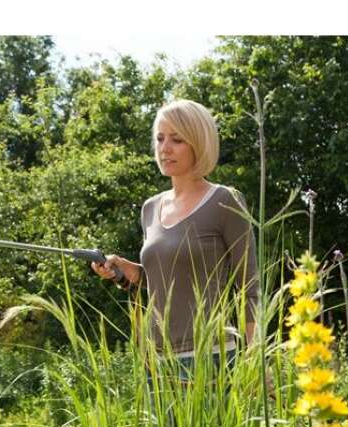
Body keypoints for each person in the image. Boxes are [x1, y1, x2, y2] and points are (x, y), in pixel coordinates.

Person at [90, 99, 259, 382]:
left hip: (211, 357)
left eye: (177, 139)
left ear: (199, 143)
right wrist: (129, 272)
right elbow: (166, 278)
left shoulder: (225, 200)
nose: (164, 148)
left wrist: (254, 358)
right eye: (159, 138)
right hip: (156, 361)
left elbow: (249, 285)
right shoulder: (150, 208)